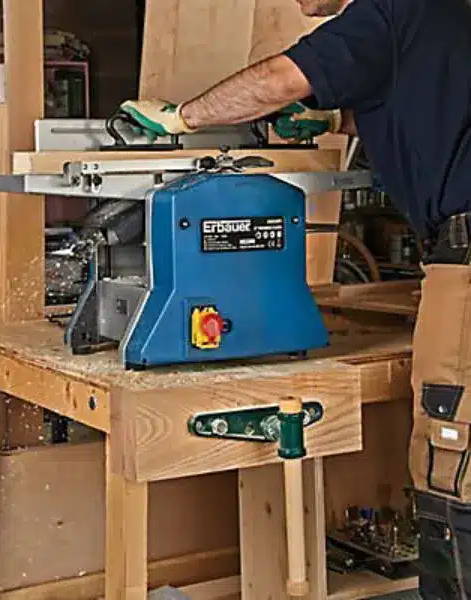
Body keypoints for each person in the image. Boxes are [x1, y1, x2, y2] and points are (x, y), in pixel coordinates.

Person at [119, 0, 471, 598]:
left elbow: (281, 78)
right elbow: (421, 107)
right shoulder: (442, 14)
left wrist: (182, 116)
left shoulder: (384, 11)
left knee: (452, 456)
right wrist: (330, 115)